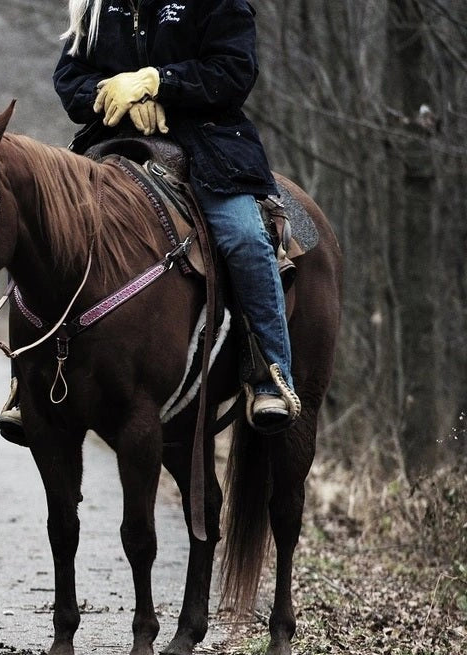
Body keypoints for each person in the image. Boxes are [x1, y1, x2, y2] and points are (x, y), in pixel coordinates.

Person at [42, 0, 300, 435]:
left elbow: (233, 72)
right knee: (44, 220)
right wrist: (115, 95)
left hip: (208, 144)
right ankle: (30, 379)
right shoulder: (95, 5)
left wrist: (159, 84)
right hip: (111, 139)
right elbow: (69, 80)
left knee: (243, 237)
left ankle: (269, 374)